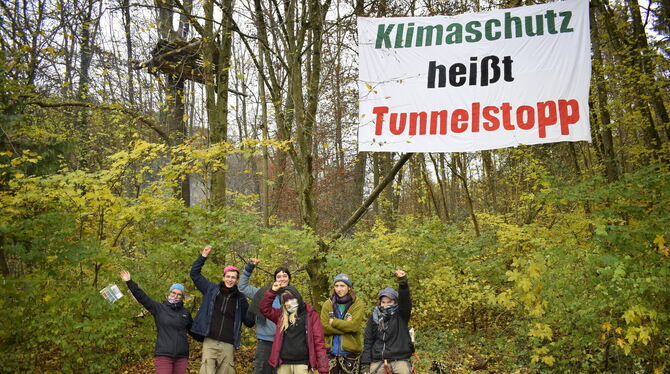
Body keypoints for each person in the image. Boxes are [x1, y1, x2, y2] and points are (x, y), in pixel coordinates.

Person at [190, 245, 255, 374]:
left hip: (228, 343)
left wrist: (258, 306)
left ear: (236, 280)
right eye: (228, 277)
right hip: (210, 341)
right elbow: (194, 274)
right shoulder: (211, 290)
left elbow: (249, 322)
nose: (230, 280)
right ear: (223, 277)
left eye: (233, 278)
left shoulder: (240, 299)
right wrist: (203, 257)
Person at [119, 270, 193, 374]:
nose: (175, 296)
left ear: (182, 297)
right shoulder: (159, 308)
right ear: (170, 292)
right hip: (164, 355)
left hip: (181, 357)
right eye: (173, 292)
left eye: (179, 294)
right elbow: (143, 298)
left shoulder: (185, 313)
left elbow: (194, 331)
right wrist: (129, 282)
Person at [259, 281, 329, 374]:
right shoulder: (281, 315)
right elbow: (264, 309)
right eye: (285, 301)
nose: (289, 303)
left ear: (297, 297)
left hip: (302, 364)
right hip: (283, 363)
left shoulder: (310, 315)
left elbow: (318, 341)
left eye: (291, 299)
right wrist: (272, 291)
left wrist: (323, 367)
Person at [238, 258, 292, 374]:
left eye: (285, 276)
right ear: (275, 279)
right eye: (279, 276)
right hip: (265, 342)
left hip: (285, 343)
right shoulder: (263, 293)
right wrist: (249, 268)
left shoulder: (294, 297)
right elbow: (242, 287)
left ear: (289, 279)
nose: (282, 279)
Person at [360, 270, 413, 374]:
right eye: (383, 302)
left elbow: (405, 300)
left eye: (389, 302)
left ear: (395, 302)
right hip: (378, 359)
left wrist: (403, 282)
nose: (386, 305)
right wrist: (365, 364)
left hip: (399, 359)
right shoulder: (374, 317)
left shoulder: (401, 314)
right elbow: (368, 341)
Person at [320, 274, 365, 374]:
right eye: (336, 286)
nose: (339, 289)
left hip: (350, 353)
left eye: (342, 286)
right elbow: (324, 327)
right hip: (330, 352)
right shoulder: (328, 304)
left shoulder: (357, 304)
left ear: (349, 287)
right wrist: (345, 327)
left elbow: (354, 326)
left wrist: (334, 322)